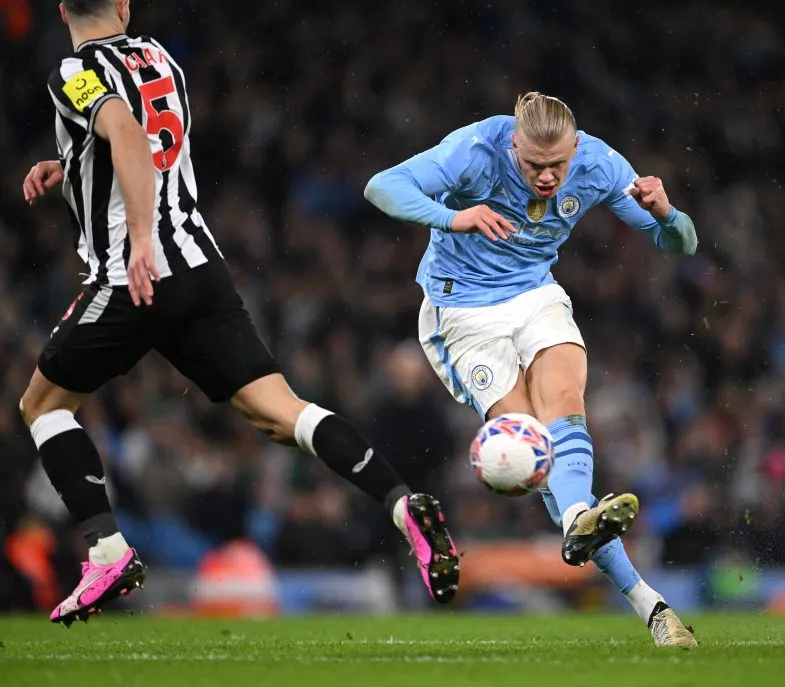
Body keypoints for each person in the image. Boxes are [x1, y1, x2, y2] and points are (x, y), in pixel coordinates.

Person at [20, 0, 459, 626]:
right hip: (202, 269)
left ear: (64, 9)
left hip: (132, 276)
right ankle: (400, 501)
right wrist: (69, 169)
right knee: (283, 413)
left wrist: (141, 239)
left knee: (42, 405)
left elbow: (124, 133)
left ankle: (107, 551)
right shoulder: (159, 58)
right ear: (123, 5)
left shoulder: (73, 71)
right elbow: (153, 143)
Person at [364, 92, 700, 648]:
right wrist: (455, 216)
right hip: (463, 310)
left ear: (576, 147)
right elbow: (383, 186)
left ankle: (578, 527)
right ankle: (645, 598)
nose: (547, 178)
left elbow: (682, 245)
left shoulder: (597, 164)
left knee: (564, 395)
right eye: (533, 165)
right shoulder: (475, 149)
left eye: (558, 165)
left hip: (534, 295)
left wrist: (667, 213)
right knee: (532, 449)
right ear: (513, 143)